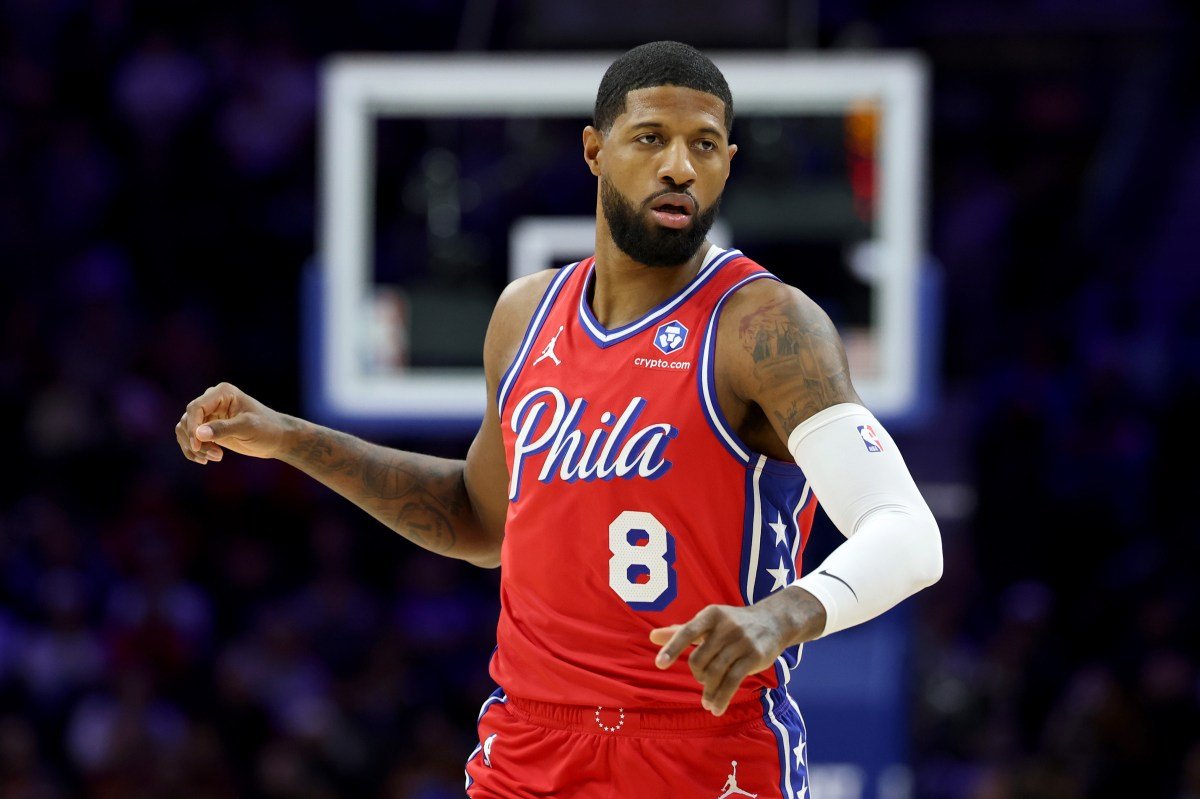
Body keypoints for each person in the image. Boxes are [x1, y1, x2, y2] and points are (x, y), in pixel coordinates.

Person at [175, 41, 943, 799]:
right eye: (651, 138)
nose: (679, 165)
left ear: (727, 164)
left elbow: (909, 533)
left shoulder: (765, 326)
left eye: (704, 145)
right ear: (593, 151)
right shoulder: (524, 314)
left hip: (702, 744)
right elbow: (480, 520)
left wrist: (784, 613)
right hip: (530, 746)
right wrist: (292, 439)